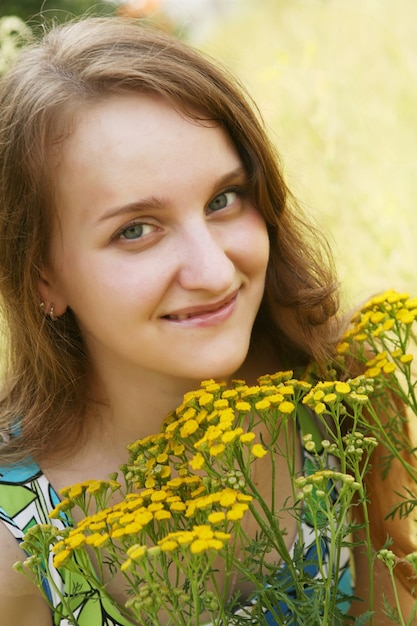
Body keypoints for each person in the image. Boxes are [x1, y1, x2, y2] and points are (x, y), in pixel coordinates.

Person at [0, 16, 414, 626]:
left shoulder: (341, 391)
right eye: (135, 230)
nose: (215, 272)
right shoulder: (20, 541)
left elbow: (396, 607)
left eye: (224, 199)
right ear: (43, 276)